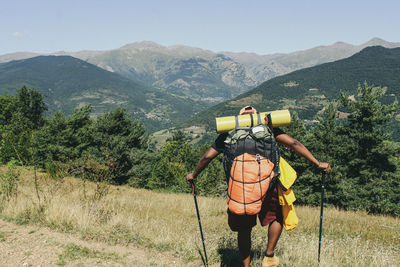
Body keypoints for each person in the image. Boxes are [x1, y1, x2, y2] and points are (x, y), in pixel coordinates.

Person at [186, 106, 331, 267]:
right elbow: (294, 143)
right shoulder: (267, 127)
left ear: (238, 118)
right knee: (276, 216)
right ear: (257, 116)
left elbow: (207, 156)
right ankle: (269, 257)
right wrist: (317, 163)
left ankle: (246, 265)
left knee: (244, 228)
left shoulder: (229, 132)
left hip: (242, 189)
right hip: (268, 185)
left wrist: (194, 175)